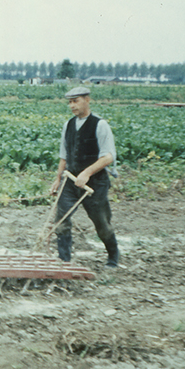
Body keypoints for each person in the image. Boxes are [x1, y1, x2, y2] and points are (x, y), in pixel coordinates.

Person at [49, 86, 121, 268]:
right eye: (70, 102)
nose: (72, 106)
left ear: (87, 100)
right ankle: (64, 261)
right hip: (70, 181)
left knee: (101, 223)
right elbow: (64, 156)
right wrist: (58, 179)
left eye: (76, 101)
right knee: (61, 220)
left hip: (95, 183)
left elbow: (108, 156)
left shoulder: (100, 125)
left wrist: (87, 173)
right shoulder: (69, 125)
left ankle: (113, 258)